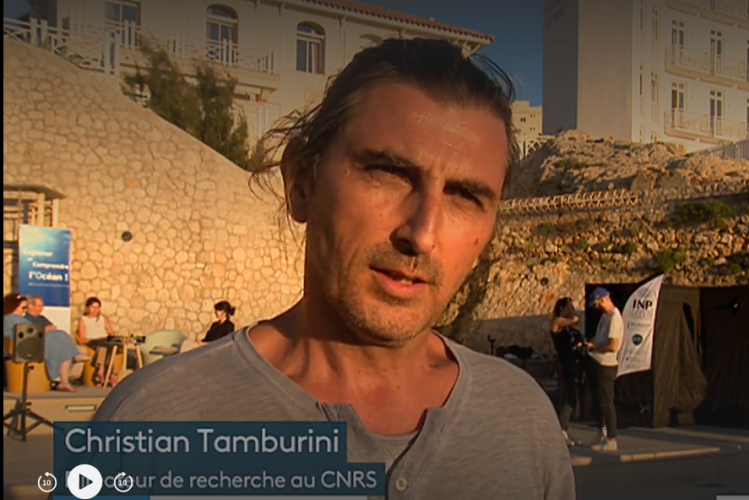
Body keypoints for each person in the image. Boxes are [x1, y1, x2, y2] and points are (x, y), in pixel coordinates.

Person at [93, 38, 575, 498]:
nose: (422, 233)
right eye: (389, 172)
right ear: (302, 181)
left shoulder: (524, 419)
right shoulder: (149, 420)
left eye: (465, 196)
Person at [3, 293, 90, 391]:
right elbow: (27, 332)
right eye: (22, 308)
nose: (24, 311)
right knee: (61, 337)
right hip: (23, 346)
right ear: (13, 306)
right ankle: (67, 374)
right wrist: (44, 329)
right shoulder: (11, 318)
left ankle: (64, 381)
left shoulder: (15, 318)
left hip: (28, 342)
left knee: (62, 340)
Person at [585, 287, 623, 451]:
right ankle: (602, 433)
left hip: (606, 365)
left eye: (596, 304)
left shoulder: (614, 317)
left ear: (601, 299)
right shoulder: (605, 316)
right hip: (596, 361)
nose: (596, 307)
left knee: (606, 401)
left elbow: (612, 345)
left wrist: (594, 346)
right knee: (597, 401)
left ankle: (612, 438)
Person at [549, 297, 585, 447]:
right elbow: (572, 320)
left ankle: (564, 429)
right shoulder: (557, 322)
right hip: (564, 364)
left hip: (573, 363)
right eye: (569, 307)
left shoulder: (571, 329)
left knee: (571, 397)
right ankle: (560, 430)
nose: (572, 309)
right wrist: (573, 316)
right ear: (562, 308)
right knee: (569, 397)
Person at [76, 297, 115, 384]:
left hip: (104, 340)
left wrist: (112, 335)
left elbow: (110, 331)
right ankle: (105, 372)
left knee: (109, 347)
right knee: (102, 346)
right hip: (92, 340)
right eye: (93, 307)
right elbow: (82, 336)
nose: (95, 310)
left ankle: (107, 373)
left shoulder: (102, 318)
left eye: (97, 308)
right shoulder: (83, 319)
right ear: (87, 308)